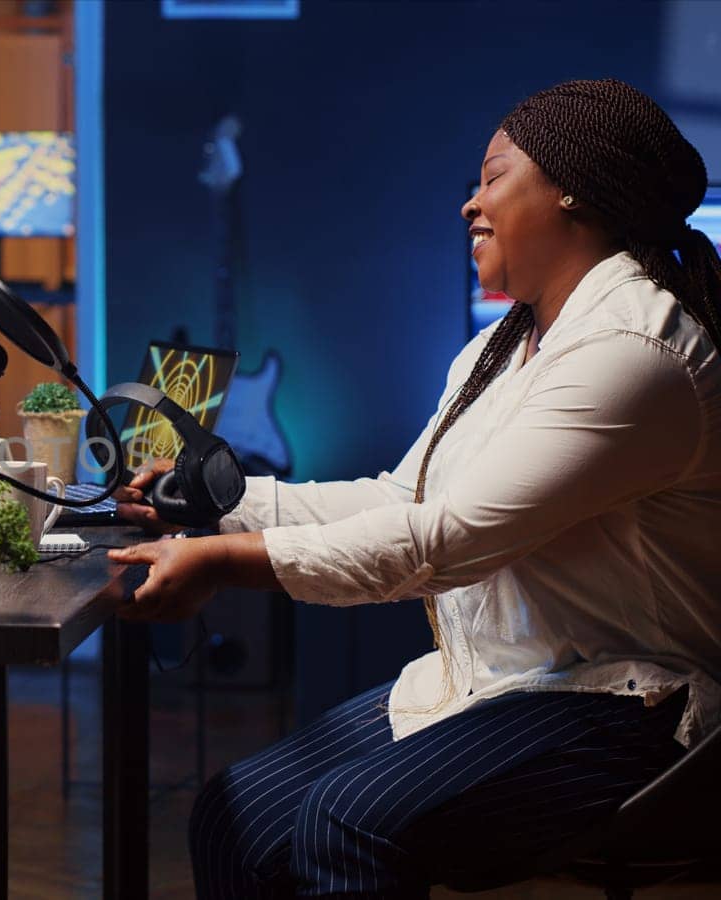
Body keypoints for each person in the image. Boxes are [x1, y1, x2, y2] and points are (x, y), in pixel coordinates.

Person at [107, 78, 721, 897]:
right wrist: (219, 505)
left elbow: (449, 540)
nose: (471, 204)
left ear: (573, 183)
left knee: (348, 817)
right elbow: (405, 500)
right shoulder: (499, 354)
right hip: (512, 685)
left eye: (494, 177)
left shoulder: (634, 354)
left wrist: (225, 561)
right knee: (235, 814)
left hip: (637, 709)